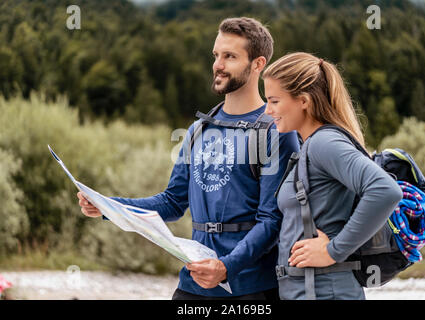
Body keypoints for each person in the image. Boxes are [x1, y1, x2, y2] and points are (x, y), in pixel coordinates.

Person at [77, 17, 300, 300]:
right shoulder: (199, 130)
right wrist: (108, 206)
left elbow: (271, 221)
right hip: (194, 284)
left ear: (258, 64)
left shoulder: (277, 129)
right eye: (216, 55)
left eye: (229, 56)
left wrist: (226, 267)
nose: (217, 65)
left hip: (250, 288)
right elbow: (172, 202)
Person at [262, 52, 403, 300]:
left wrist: (333, 251)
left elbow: (386, 191)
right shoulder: (310, 144)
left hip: (325, 291)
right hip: (311, 290)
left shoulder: (324, 143)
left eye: (274, 101)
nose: (267, 110)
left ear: (303, 101)